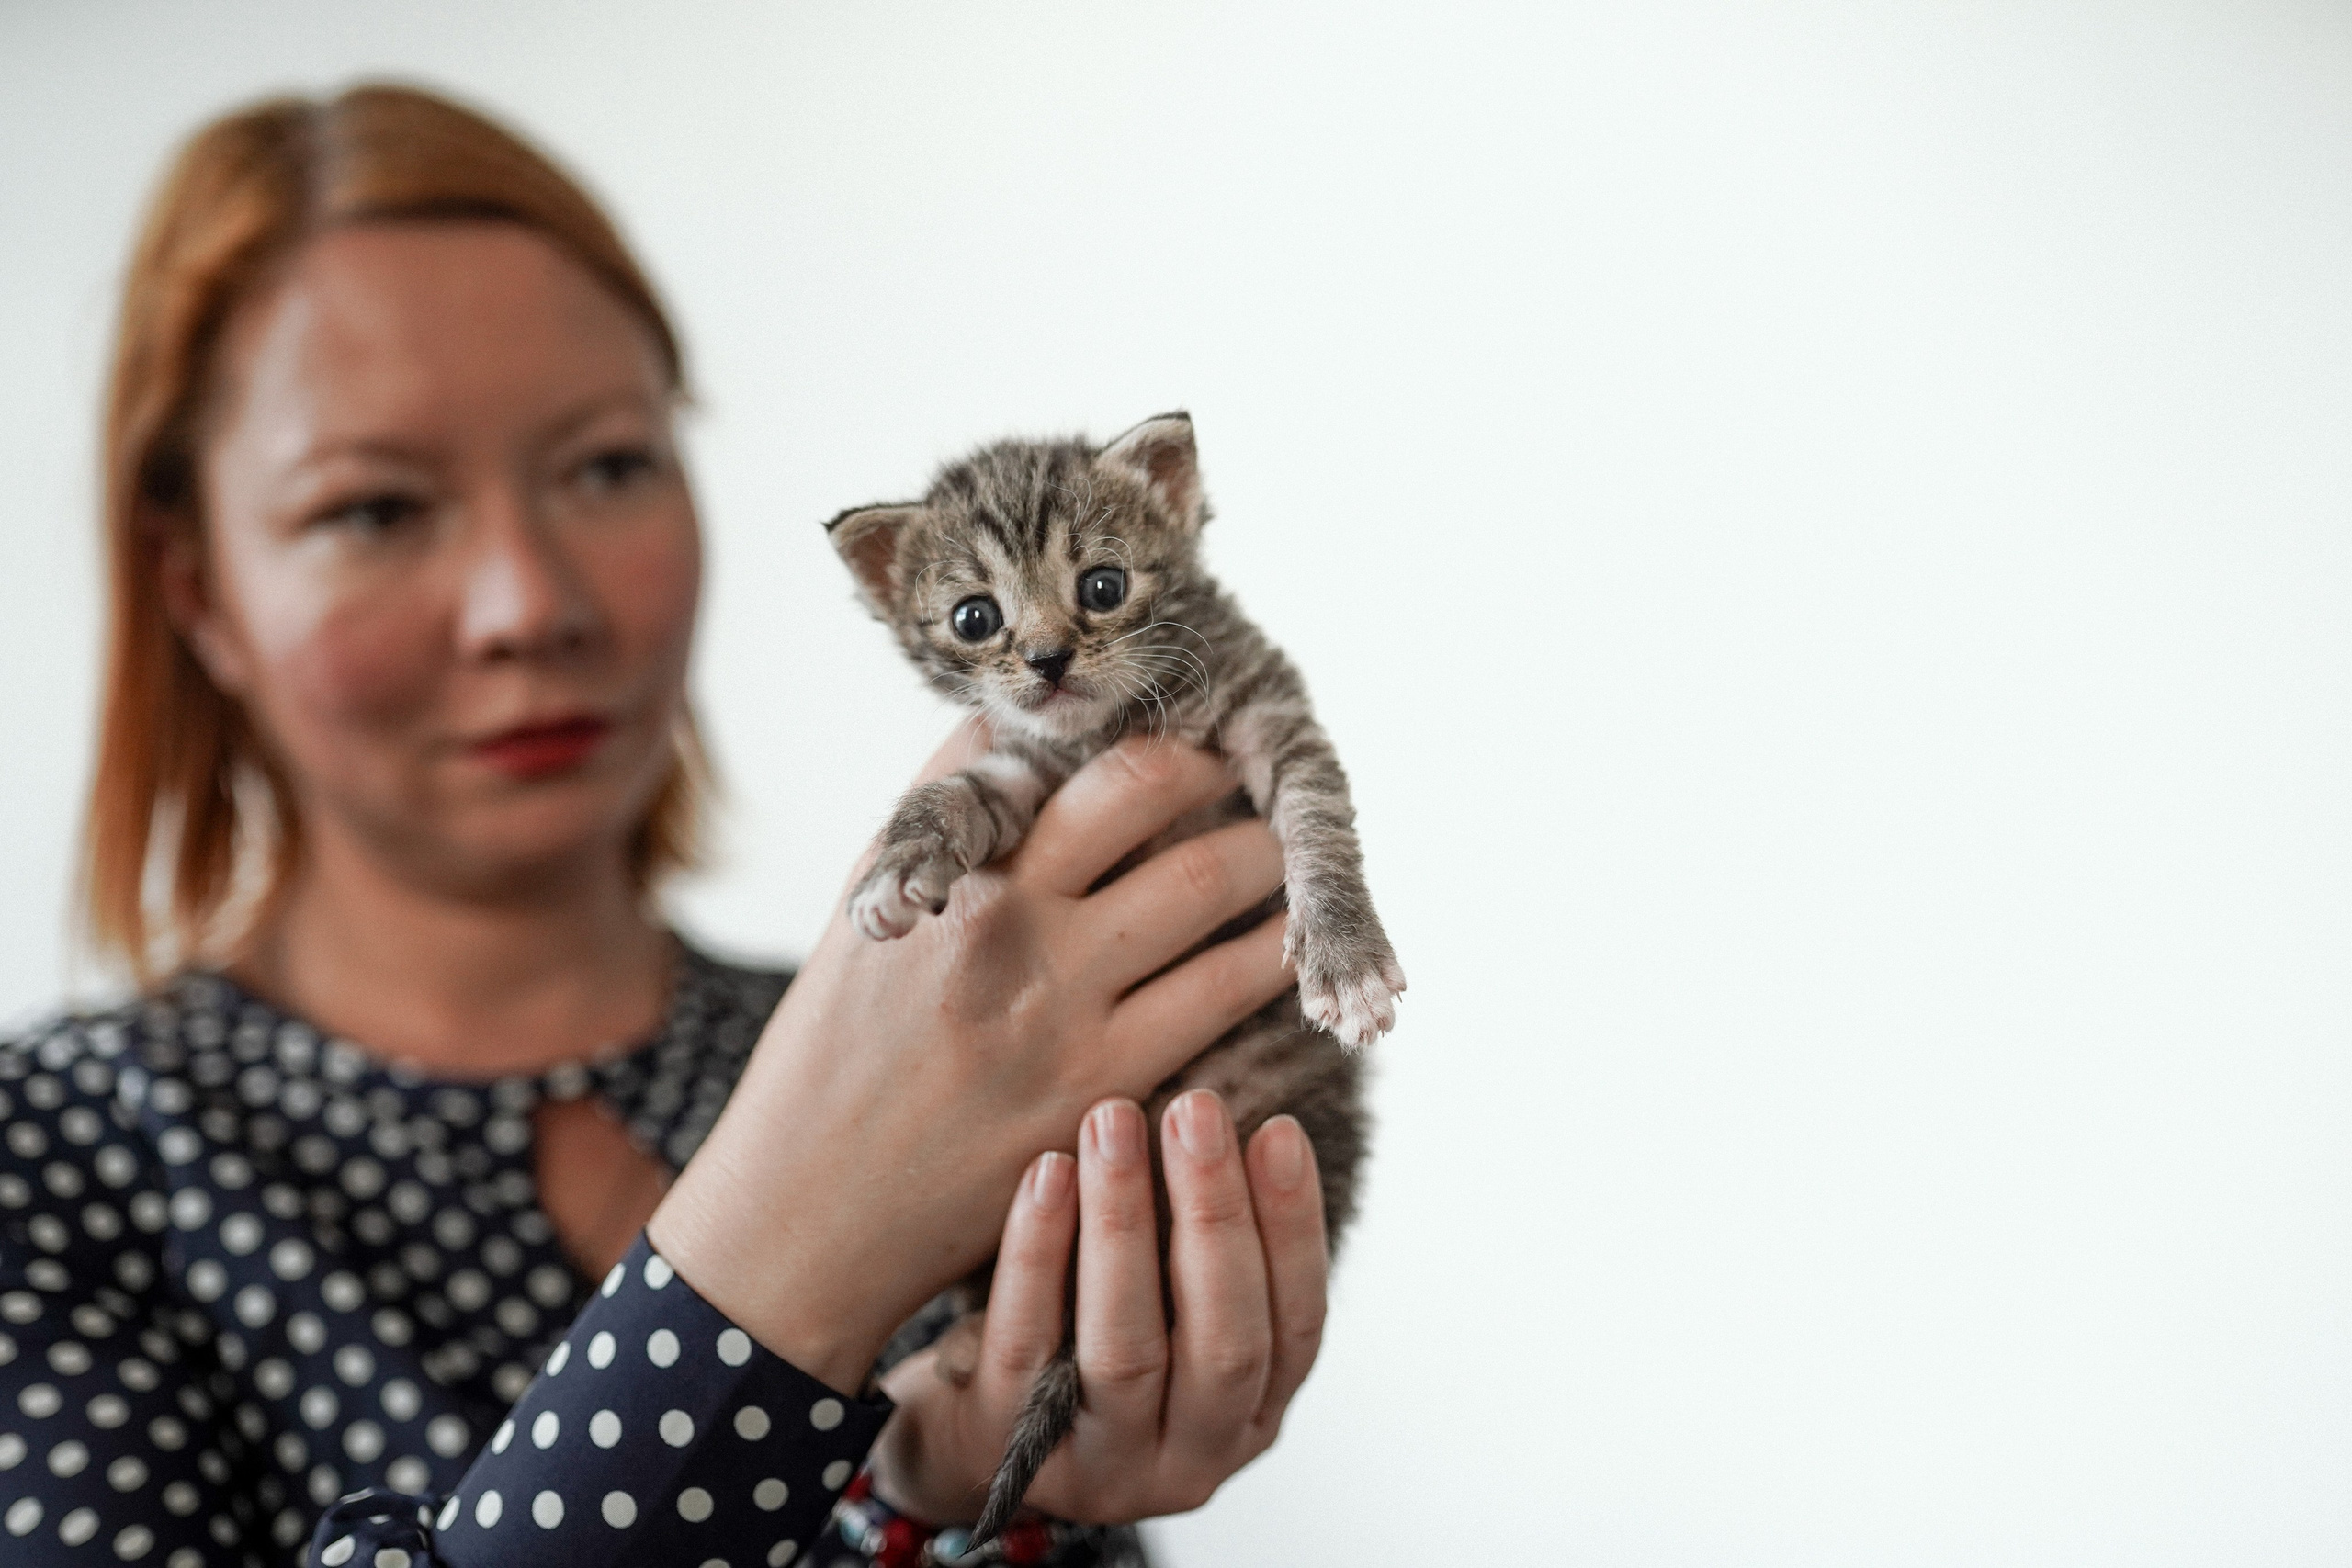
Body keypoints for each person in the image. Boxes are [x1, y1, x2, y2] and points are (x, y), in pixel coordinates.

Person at [0, 85, 1331, 1568]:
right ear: (198, 591)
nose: (531, 601)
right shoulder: (52, 1161)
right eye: (374, 508)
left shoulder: (974, 1043)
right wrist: (777, 1261)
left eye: (606, 466)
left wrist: (943, 1480)